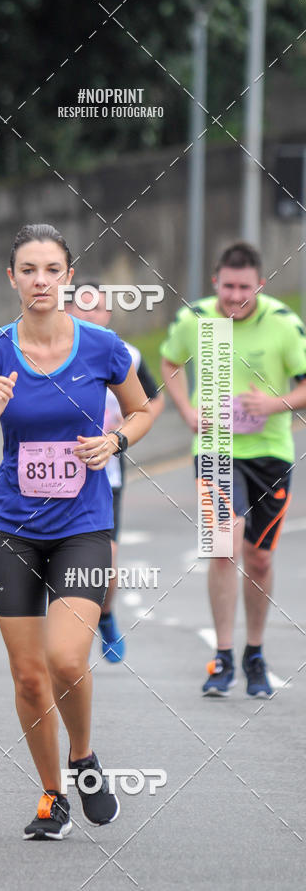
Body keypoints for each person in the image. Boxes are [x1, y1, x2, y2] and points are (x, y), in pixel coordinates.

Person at [0, 224, 153, 839]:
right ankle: (51, 797)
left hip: (84, 525)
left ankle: (83, 756)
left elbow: (145, 409)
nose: (40, 280)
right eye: (28, 270)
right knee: (28, 675)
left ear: (68, 277)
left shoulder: (101, 347)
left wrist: (115, 439)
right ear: (11, 279)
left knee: (68, 660)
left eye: (51, 269)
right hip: (11, 527)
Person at [160, 241, 306, 698]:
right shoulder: (198, 320)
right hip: (216, 447)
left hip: (269, 451)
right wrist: (185, 410)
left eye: (245, 287)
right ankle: (222, 657)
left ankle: (254, 653)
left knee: (259, 557)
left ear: (259, 285)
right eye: (228, 287)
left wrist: (275, 403)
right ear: (215, 283)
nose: (235, 296)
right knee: (224, 545)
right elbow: (169, 360)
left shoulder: (283, 324)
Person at [66, 285, 164, 663]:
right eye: (83, 307)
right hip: (53, 473)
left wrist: (122, 434)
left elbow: (151, 401)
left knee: (105, 556)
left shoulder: (126, 354)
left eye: (99, 308)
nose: (91, 314)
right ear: (68, 310)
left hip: (106, 472)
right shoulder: (51, 353)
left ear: (109, 315)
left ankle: (105, 617)